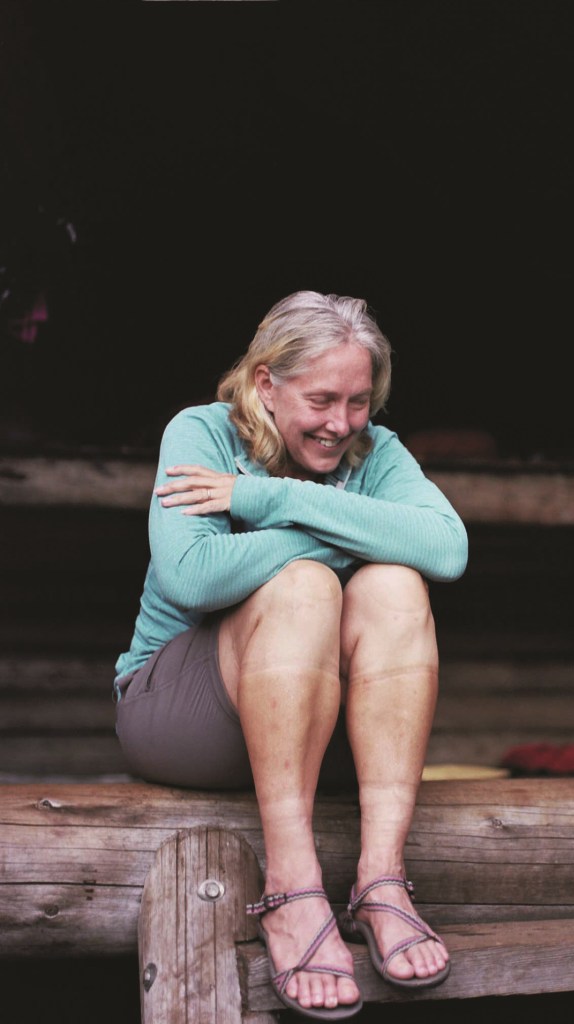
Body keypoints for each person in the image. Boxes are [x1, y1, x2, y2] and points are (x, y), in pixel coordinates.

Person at [113, 291, 468, 1019]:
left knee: (397, 583)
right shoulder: (200, 434)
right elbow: (192, 575)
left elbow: (446, 548)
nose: (342, 424)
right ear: (266, 383)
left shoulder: (379, 453)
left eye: (360, 401)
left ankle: (381, 880)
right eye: (322, 399)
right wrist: (357, 532)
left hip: (322, 726)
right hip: (183, 714)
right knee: (306, 585)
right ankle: (292, 890)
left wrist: (268, 499)